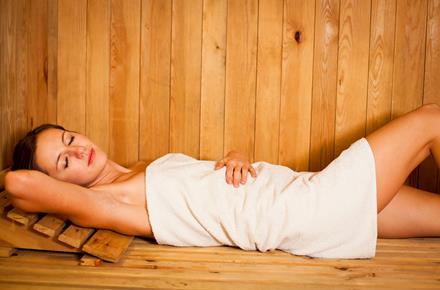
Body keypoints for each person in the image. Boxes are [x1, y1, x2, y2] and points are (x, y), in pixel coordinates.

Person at [4, 103, 440, 259]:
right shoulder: (111, 202)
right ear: (66, 188)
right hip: (309, 210)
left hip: (299, 190)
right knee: (431, 119)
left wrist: (235, 157)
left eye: (69, 139)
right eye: (64, 162)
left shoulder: (138, 168)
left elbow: (208, 191)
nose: (78, 150)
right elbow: (20, 185)